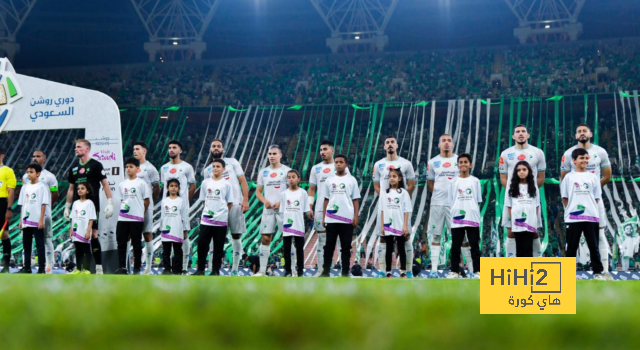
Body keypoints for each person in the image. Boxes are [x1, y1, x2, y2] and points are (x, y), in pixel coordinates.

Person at [560, 124, 613, 279]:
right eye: (579, 132)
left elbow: (607, 176)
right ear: (576, 135)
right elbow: (564, 178)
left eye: (584, 131)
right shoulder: (568, 153)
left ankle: (603, 271)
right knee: (573, 241)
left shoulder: (600, 152)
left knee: (599, 235)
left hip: (593, 203)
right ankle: (570, 272)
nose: (582, 133)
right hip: (574, 202)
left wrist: (590, 191)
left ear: (590, 133)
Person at [64, 139, 115, 275]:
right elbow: (70, 189)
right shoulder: (73, 168)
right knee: (77, 237)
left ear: (87, 149)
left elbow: (105, 184)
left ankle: (98, 267)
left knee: (93, 235)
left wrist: (110, 202)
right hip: (77, 207)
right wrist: (67, 206)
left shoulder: (96, 165)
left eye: (79, 147)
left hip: (92, 206)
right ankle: (79, 268)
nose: (76, 149)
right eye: (75, 147)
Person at [426, 134, 473, 278]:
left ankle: (471, 270)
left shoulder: (459, 161)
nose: (446, 143)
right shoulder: (432, 162)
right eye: (443, 141)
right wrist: (441, 195)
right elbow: (431, 183)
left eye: (449, 141)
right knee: (436, 236)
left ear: (453, 144)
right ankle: (434, 269)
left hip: (456, 205)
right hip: (437, 204)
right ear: (439, 145)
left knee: (462, 238)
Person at [370, 136, 415, 278]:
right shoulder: (378, 165)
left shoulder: (406, 163)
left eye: (392, 142)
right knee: (383, 238)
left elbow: (412, 184)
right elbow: (376, 185)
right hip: (385, 207)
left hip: (400, 208)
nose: (390, 145)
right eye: (387, 143)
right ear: (384, 147)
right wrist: (386, 197)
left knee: (405, 238)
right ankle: (384, 271)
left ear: (397, 145)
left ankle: (407, 271)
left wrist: (400, 197)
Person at [499, 125, 546, 258]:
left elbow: (541, 177)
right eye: (517, 132)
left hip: (531, 198)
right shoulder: (506, 154)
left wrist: (530, 191)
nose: (521, 134)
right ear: (513, 136)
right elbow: (503, 177)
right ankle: (511, 261)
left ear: (528, 135)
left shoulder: (538, 152)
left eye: (523, 131)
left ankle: (538, 260)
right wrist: (514, 192)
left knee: (534, 230)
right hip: (514, 198)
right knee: (511, 230)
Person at [204, 140, 250, 276]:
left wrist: (245, 199)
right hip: (217, 207)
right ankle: (212, 268)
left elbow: (243, 181)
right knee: (214, 237)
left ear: (223, 149)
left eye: (219, 146)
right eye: (214, 146)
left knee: (236, 235)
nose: (216, 148)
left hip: (236, 203)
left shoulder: (232, 162)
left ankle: (235, 269)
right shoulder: (207, 170)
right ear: (210, 149)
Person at [308, 140, 350, 277]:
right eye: (321, 150)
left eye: (325, 149)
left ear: (332, 151)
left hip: (339, 208)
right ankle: (322, 271)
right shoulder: (316, 168)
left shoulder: (340, 166)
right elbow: (312, 189)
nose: (322, 152)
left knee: (341, 240)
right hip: (321, 208)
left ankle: (344, 272)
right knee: (322, 239)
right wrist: (309, 206)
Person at [16, 150, 58, 274]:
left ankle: (48, 267)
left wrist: (46, 208)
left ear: (44, 159)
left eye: (38, 156)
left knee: (46, 239)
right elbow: (25, 198)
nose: (35, 158)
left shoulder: (50, 176)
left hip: (44, 215)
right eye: (33, 156)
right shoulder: (25, 178)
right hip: (28, 216)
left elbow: (54, 193)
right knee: (26, 240)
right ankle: (26, 265)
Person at [319, 154, 360, 278]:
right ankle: (325, 271)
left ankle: (345, 272)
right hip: (332, 218)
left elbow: (355, 199)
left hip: (346, 218)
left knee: (346, 246)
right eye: (336, 162)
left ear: (346, 164)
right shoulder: (329, 180)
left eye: (341, 162)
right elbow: (326, 199)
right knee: (328, 246)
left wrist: (356, 216)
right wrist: (324, 217)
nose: (338, 164)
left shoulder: (351, 180)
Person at [254, 145, 291, 277]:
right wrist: (265, 202)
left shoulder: (287, 171)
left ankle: (290, 270)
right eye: (269, 154)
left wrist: (281, 202)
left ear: (280, 155)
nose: (271, 156)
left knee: (288, 238)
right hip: (268, 210)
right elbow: (258, 192)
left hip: (284, 209)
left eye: (274, 153)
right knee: (265, 238)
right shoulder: (263, 172)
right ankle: (262, 270)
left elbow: (292, 190)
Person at [160, 140, 196, 275]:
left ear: (180, 151)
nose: (171, 150)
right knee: (167, 238)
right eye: (169, 148)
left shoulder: (187, 167)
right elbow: (163, 187)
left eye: (174, 148)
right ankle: (167, 268)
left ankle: (184, 267)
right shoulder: (164, 168)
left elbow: (193, 186)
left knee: (184, 235)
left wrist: (184, 201)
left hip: (181, 208)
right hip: (167, 207)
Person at [194, 159, 233, 276]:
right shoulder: (205, 183)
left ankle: (215, 270)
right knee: (202, 244)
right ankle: (200, 269)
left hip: (220, 220)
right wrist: (209, 212)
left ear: (223, 169)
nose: (215, 168)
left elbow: (229, 202)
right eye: (213, 166)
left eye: (218, 166)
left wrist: (222, 214)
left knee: (218, 246)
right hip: (206, 219)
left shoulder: (227, 184)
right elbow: (203, 200)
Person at [446, 154, 481, 279]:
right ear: (458, 165)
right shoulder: (453, 182)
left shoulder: (475, 181)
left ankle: (477, 271)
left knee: (475, 246)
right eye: (460, 162)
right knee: (455, 246)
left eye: (466, 162)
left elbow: (477, 200)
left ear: (470, 164)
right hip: (457, 218)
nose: (463, 164)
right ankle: (454, 271)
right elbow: (451, 201)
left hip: (472, 217)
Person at [115, 158, 150, 275]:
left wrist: (141, 214)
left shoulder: (142, 183)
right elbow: (122, 200)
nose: (128, 169)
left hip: (137, 218)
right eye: (127, 167)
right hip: (123, 218)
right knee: (121, 243)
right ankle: (122, 267)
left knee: (136, 243)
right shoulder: (122, 184)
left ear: (137, 169)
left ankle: (136, 268)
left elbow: (146, 201)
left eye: (131, 166)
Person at [132, 142, 161, 275]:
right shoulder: (131, 167)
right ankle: (128, 265)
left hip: (145, 206)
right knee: (129, 234)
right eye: (134, 149)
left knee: (147, 233)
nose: (135, 151)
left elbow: (156, 188)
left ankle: (148, 267)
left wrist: (150, 203)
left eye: (137, 149)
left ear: (144, 151)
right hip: (132, 206)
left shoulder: (150, 168)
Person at [17, 163, 50, 274]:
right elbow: (22, 204)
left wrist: (41, 220)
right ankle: (27, 268)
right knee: (26, 245)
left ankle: (41, 268)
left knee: (40, 244)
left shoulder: (42, 187)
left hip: (36, 221)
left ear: (38, 173)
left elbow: (43, 204)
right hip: (26, 220)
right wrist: (21, 220)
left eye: (31, 172)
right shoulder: (24, 187)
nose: (29, 174)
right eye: (28, 172)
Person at [280, 169, 313, 277]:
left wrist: (299, 220)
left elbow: (304, 210)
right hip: (287, 224)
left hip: (299, 224)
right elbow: (282, 210)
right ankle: (288, 271)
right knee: (287, 250)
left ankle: (300, 271)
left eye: (293, 177)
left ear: (298, 179)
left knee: (299, 250)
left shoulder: (303, 193)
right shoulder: (284, 193)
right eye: (289, 177)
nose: (291, 179)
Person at [380, 168, 412, 278]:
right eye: (390, 177)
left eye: (394, 176)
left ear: (399, 178)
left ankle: (403, 271)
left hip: (399, 225)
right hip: (388, 226)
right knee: (389, 249)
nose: (391, 179)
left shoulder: (404, 193)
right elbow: (382, 210)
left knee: (401, 248)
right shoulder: (385, 193)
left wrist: (405, 226)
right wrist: (383, 226)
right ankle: (388, 272)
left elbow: (406, 210)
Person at [505, 161, 539, 257]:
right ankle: (521, 271)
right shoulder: (512, 187)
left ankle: (529, 270)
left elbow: (536, 205)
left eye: (524, 169)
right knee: (519, 250)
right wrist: (513, 222)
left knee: (529, 250)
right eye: (519, 170)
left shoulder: (533, 187)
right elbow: (509, 206)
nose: (521, 172)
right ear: (516, 173)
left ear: (529, 171)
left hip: (530, 223)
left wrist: (534, 222)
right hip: (517, 223)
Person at [159, 179, 189, 275]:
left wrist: (184, 230)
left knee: (177, 251)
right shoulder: (164, 201)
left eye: (176, 186)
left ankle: (177, 270)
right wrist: (161, 229)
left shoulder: (181, 201)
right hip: (166, 229)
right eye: (171, 186)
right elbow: (162, 216)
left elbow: (183, 217)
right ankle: (167, 269)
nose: (173, 188)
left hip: (177, 229)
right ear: (167, 188)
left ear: (178, 188)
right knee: (166, 251)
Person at [69, 183, 96, 275]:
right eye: (78, 189)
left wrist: (88, 231)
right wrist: (71, 230)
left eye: (82, 188)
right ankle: (78, 269)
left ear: (87, 191)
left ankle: (86, 269)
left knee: (86, 250)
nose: (79, 190)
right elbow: (72, 218)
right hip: (76, 231)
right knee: (78, 250)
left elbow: (91, 218)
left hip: (84, 230)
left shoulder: (90, 203)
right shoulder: (75, 203)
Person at [0, 147, 16, 273]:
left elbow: (11, 192)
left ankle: (5, 267)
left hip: (1, 203)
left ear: (2, 156)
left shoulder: (8, 171)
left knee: (4, 234)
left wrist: (9, 208)